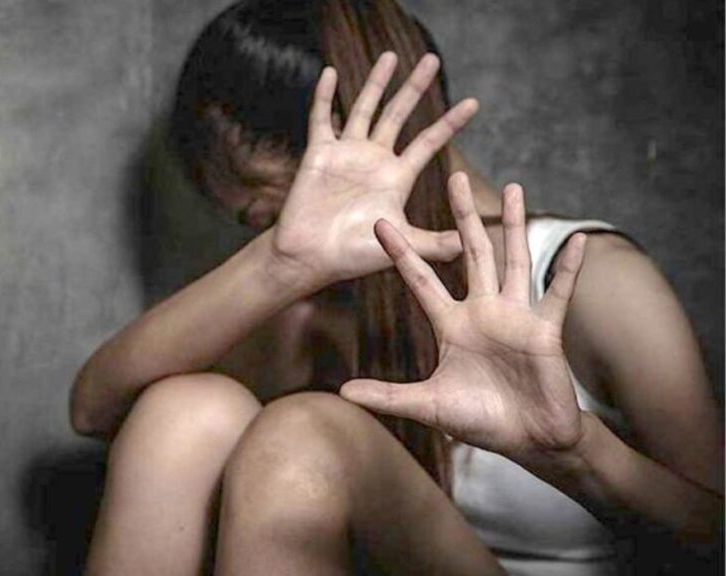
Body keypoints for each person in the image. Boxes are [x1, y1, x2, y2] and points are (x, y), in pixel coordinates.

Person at [69, 1, 724, 574]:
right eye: (258, 225)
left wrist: (581, 454)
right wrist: (279, 264)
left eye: (269, 210)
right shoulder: (304, 311)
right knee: (186, 409)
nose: (281, 229)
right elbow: (95, 408)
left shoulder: (587, 278)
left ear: (376, 138)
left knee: (307, 432)